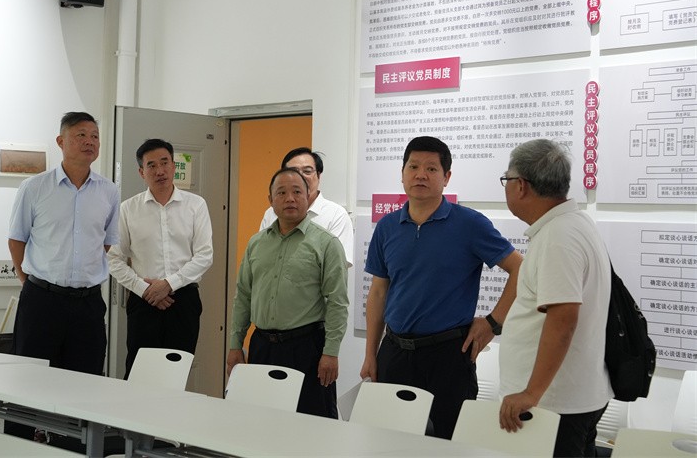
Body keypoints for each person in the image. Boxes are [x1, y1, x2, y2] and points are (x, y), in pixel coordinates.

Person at [361, 135, 523, 439]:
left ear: (446, 177)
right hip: (394, 353)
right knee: (388, 440)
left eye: (431, 168)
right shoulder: (386, 227)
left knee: (450, 442)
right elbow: (379, 292)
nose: (421, 175)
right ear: (402, 173)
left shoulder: (470, 224)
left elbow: (520, 269)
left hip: (448, 355)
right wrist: (371, 353)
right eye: (413, 167)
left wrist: (493, 322)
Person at [6, 111, 120, 442]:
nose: (90, 142)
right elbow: (17, 239)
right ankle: (17, 448)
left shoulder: (108, 191)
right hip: (41, 300)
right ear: (61, 141)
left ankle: (73, 447)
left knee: (84, 385)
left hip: (87, 304)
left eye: (94, 136)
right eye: (81, 135)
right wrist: (27, 281)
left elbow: (106, 242)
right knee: (27, 381)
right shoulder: (34, 187)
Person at [498, 139, 612, 457]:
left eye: (507, 179)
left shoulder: (558, 236)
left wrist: (531, 393)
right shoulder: (572, 225)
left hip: (554, 406)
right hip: (565, 399)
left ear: (521, 186)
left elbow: (563, 319)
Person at [228, 167, 349, 418]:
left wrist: (331, 352)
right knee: (261, 420)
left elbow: (337, 302)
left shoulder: (326, 244)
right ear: (270, 200)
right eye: (281, 193)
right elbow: (244, 296)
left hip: (307, 348)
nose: (290, 199)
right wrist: (235, 345)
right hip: (262, 346)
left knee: (311, 422)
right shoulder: (256, 243)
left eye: (297, 192)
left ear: (308, 197)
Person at [108, 138, 213, 377]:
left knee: (176, 373)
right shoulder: (128, 209)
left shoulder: (195, 205)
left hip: (183, 301)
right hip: (143, 301)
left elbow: (205, 255)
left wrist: (168, 284)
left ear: (174, 166)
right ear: (141, 172)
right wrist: (143, 289)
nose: (160, 171)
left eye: (165, 163)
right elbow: (113, 258)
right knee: (139, 373)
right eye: (152, 165)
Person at [259, 147, 354, 266]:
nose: (300, 177)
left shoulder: (336, 215)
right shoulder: (272, 212)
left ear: (318, 176)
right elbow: (261, 255)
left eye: (307, 171)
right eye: (293, 172)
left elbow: (337, 267)